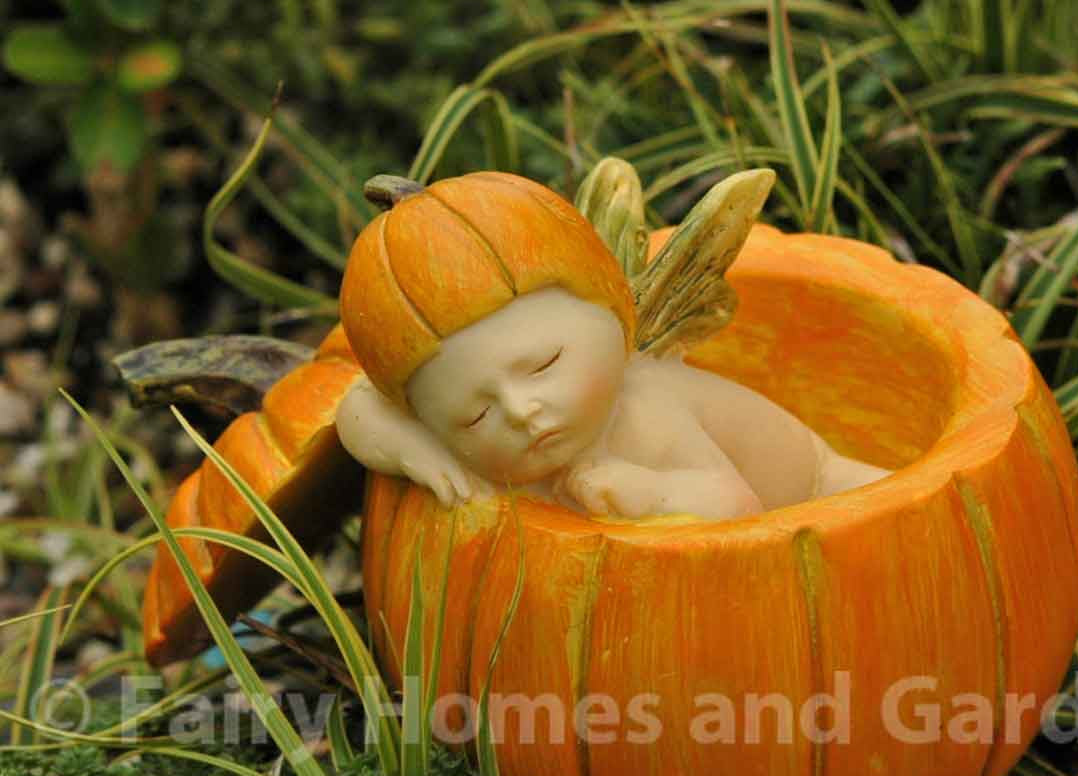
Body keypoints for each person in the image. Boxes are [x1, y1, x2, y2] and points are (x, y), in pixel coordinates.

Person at [335, 171, 888, 521]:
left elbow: (733, 504)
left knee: (889, 518)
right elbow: (357, 408)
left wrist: (649, 493)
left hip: (818, 490)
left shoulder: (641, 412)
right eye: (475, 415)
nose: (521, 411)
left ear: (612, 313)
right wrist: (418, 451)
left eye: (544, 365)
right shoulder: (453, 432)